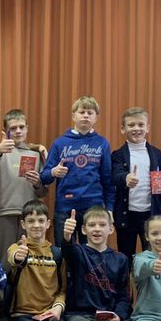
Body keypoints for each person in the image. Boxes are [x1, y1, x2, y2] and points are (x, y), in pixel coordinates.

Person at [7, 201, 70, 321]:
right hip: (23, 314)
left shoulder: (57, 253)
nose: (36, 225)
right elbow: (13, 258)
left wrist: (58, 308)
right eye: (31, 221)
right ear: (23, 224)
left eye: (41, 220)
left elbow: (62, 290)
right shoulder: (17, 248)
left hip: (50, 313)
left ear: (48, 224)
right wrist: (19, 256)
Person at [39, 95, 114, 245]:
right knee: (65, 252)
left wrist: (110, 208)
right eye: (82, 112)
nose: (86, 116)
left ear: (96, 117)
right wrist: (54, 172)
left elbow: (108, 180)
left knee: (92, 252)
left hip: (93, 208)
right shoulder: (60, 143)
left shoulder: (102, 143)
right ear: (73, 116)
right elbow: (44, 177)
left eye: (90, 112)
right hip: (65, 208)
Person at [111, 107, 161, 258]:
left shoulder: (157, 154)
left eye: (140, 125)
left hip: (151, 214)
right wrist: (126, 178)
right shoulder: (117, 155)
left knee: (154, 256)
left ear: (147, 128)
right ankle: (127, 275)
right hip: (126, 215)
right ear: (123, 129)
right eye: (131, 125)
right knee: (125, 256)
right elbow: (115, 176)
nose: (136, 128)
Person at [0, 108, 49, 260]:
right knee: (5, 258)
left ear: (27, 128)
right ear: (5, 131)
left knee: (28, 257)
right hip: (5, 212)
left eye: (21, 127)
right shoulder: (0, 151)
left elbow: (43, 191)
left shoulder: (36, 154)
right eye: (13, 128)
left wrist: (37, 184)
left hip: (30, 215)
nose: (18, 131)